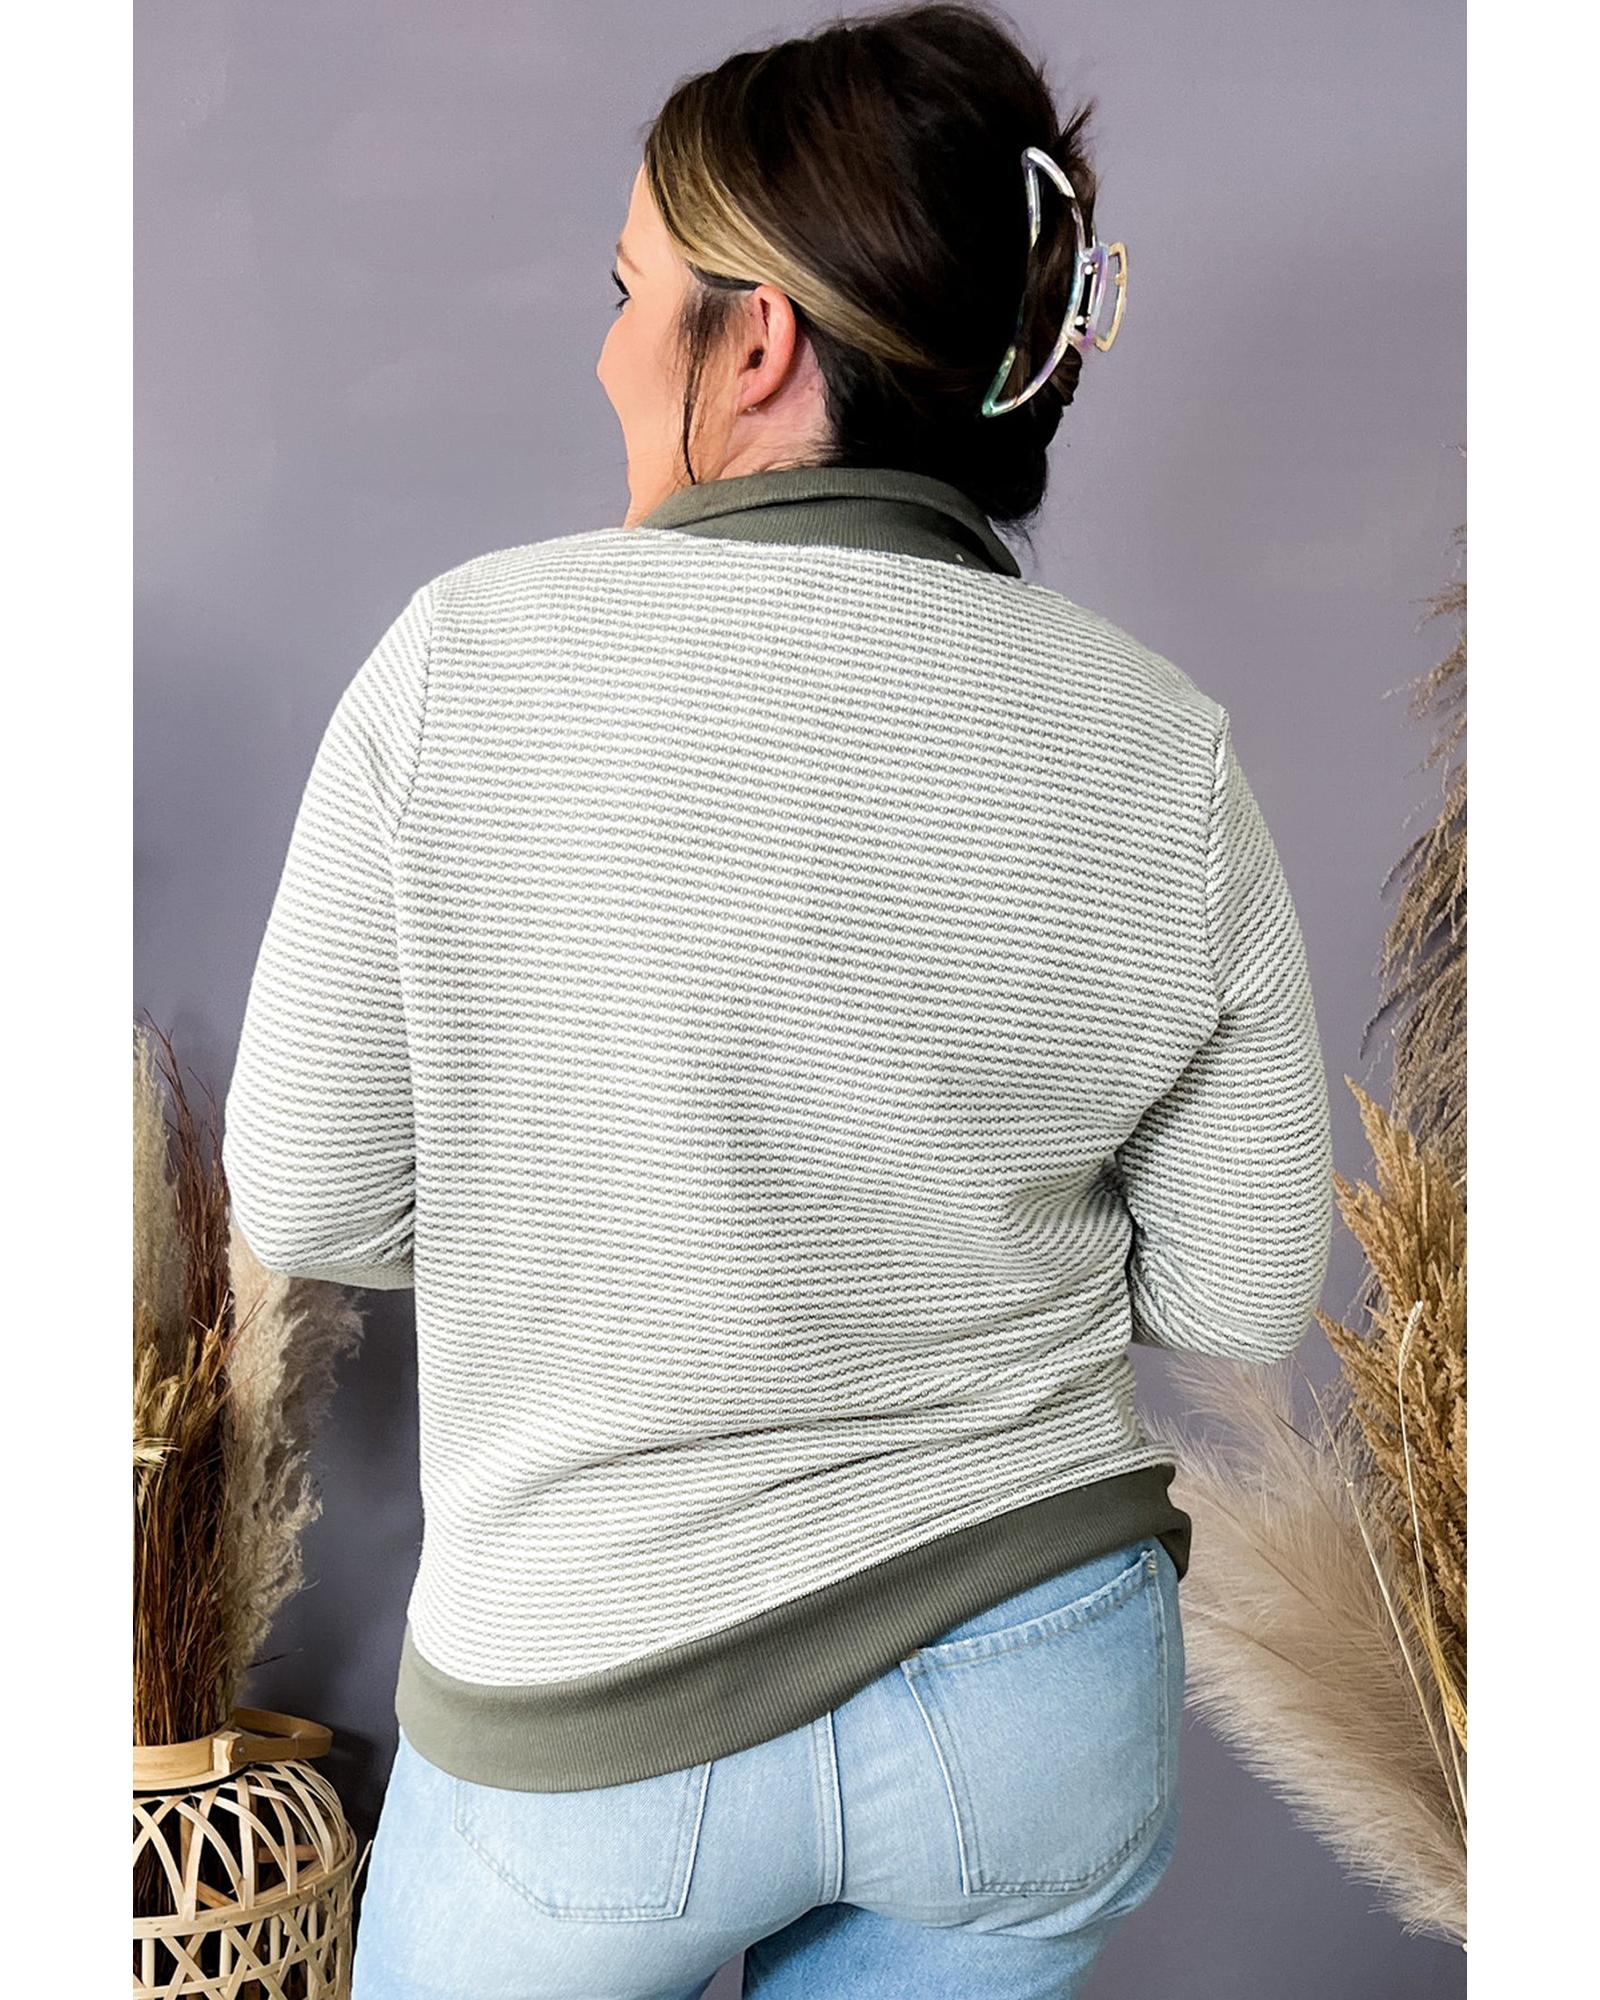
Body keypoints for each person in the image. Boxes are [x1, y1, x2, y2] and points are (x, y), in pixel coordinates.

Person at [223, 5, 1334, 1995]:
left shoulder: (466, 660)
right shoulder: (1161, 746)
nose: (601, 350)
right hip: (1035, 1693)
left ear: (754, 346)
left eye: (625, 289)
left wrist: (595, 1205)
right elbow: (1241, 1299)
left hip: (590, 1716)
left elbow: (309, 1198)